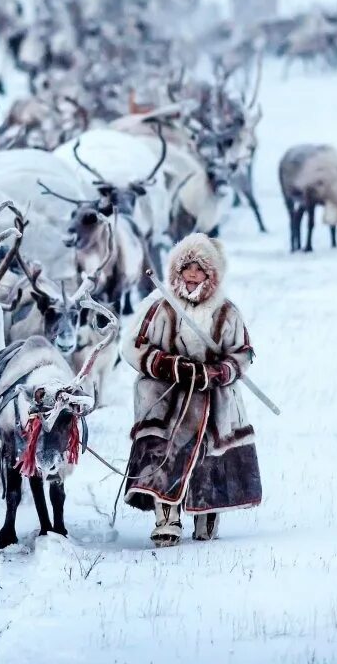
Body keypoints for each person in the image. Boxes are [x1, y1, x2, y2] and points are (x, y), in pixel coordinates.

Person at [120, 233, 261, 547]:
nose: (193, 274)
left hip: (214, 398)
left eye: (200, 269)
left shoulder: (227, 311)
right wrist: (172, 367)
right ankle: (166, 517)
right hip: (166, 398)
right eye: (187, 268)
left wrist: (219, 371)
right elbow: (134, 347)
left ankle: (207, 511)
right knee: (163, 453)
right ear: (177, 272)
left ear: (211, 274)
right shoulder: (159, 308)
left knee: (209, 455)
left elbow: (242, 352)